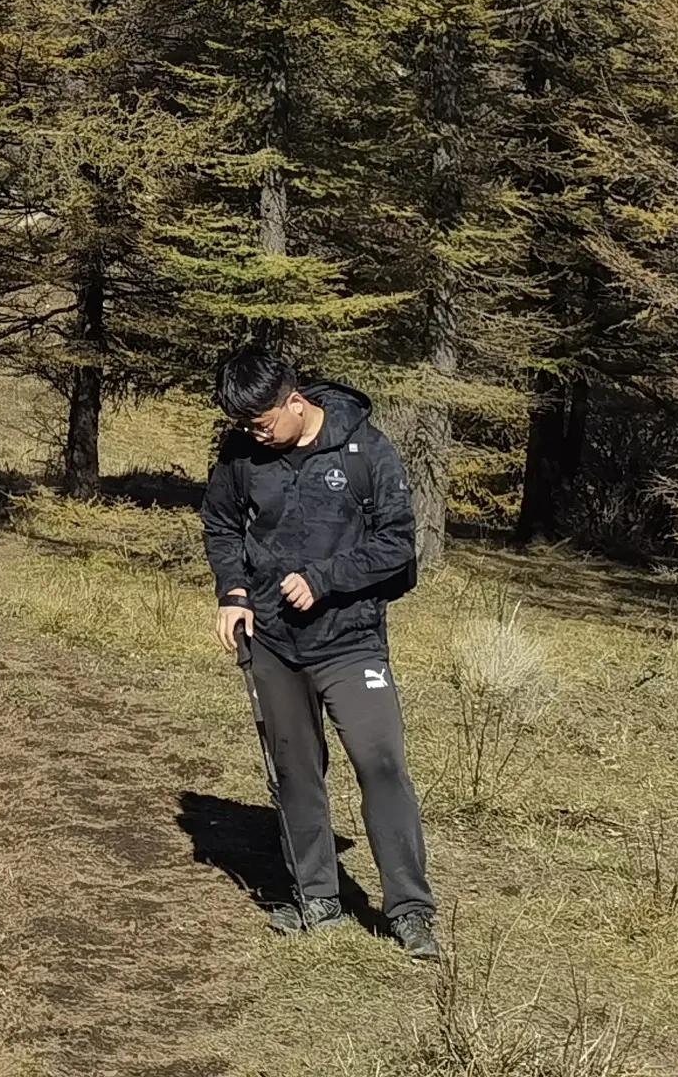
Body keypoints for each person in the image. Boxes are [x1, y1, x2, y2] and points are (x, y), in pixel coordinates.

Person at [198, 339, 440, 959]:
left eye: (262, 422)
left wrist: (326, 578)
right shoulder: (242, 455)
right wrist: (233, 592)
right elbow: (222, 525)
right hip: (273, 642)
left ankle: (410, 910)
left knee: (381, 763)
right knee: (295, 771)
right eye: (244, 426)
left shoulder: (366, 450)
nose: (254, 435)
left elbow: (398, 544)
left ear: (296, 402)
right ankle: (317, 898)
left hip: (351, 640)